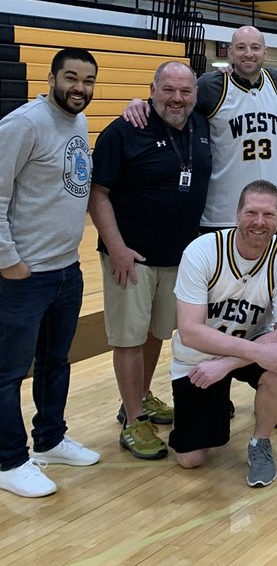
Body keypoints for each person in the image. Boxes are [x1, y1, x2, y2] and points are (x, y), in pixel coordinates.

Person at [90, 61, 212, 460]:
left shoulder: (201, 126)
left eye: (185, 91)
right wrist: (117, 248)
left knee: (155, 333)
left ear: (195, 93)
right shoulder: (124, 131)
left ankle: (138, 398)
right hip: (132, 258)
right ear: (152, 90)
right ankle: (134, 421)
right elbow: (98, 194)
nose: (177, 99)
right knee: (128, 339)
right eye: (168, 90)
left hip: (178, 259)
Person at [0, 48, 101, 498]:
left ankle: (50, 439)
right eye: (71, 78)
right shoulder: (24, 124)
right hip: (24, 275)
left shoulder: (75, 121)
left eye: (88, 80)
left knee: (55, 363)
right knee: (7, 372)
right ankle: (7, 460)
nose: (79, 87)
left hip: (65, 270)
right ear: (52, 77)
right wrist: (9, 260)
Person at [167, 180, 277, 487]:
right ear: (237, 214)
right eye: (251, 213)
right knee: (191, 459)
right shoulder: (202, 252)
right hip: (199, 358)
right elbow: (190, 331)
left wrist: (227, 363)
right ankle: (199, 411)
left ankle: (260, 442)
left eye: (268, 215)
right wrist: (254, 352)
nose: (259, 222)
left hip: (241, 354)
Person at [125, 25, 277, 230]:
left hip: (268, 212)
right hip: (221, 214)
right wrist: (141, 102)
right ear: (230, 52)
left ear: (265, 52)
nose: (248, 54)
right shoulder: (212, 85)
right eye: (240, 48)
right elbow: (175, 105)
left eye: (255, 47)